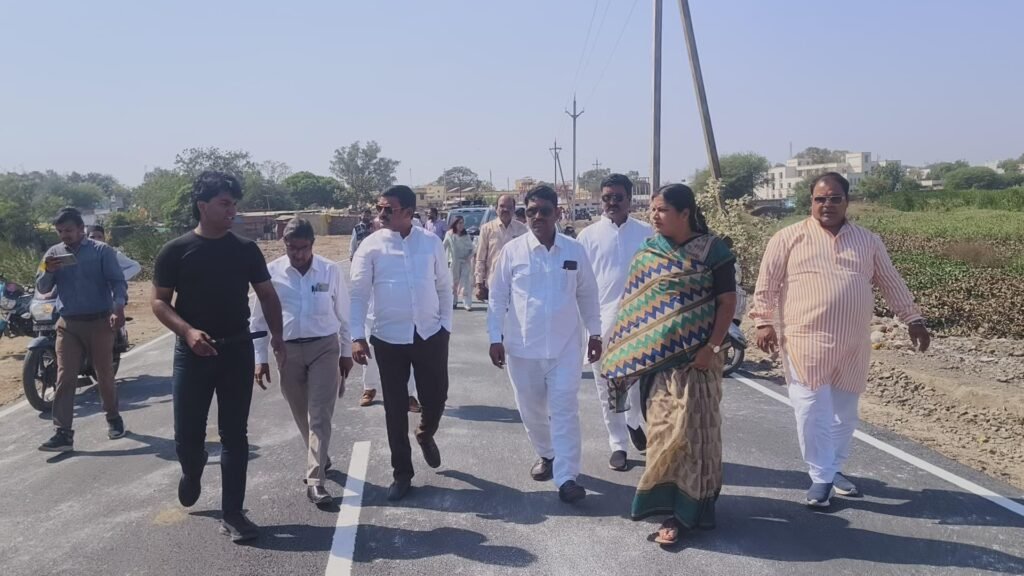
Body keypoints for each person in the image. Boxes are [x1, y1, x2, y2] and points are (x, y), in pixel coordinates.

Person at [750, 172, 930, 508]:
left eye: (835, 198)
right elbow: (767, 284)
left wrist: (913, 319)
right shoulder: (788, 237)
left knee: (843, 415)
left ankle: (832, 468)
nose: (827, 205)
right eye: (820, 199)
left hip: (853, 343)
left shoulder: (868, 241)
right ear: (811, 202)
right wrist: (763, 321)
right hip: (804, 340)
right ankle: (821, 477)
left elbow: (891, 282)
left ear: (847, 201)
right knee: (809, 408)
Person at [152, 171, 285, 543]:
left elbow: (267, 295)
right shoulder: (176, 250)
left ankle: (233, 513)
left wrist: (278, 337)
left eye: (234, 204)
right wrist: (187, 331)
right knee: (187, 436)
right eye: (225, 203)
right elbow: (159, 302)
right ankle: (192, 469)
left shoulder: (245, 249)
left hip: (235, 350)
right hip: (192, 354)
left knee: (234, 434)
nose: (232, 211)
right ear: (202, 206)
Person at [601, 183, 736, 546]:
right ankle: (666, 509)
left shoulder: (713, 250)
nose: (654, 216)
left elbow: (727, 303)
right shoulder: (649, 252)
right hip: (659, 366)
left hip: (699, 363)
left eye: (662, 210)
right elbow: (635, 308)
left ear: (685, 213)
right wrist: (626, 355)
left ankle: (690, 510)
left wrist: (711, 347)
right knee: (663, 435)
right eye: (653, 210)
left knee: (695, 436)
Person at [487, 185, 601, 504]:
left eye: (545, 211)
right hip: (522, 349)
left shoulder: (574, 250)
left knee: (565, 410)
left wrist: (595, 333)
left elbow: (588, 294)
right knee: (532, 410)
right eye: (531, 211)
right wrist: (495, 337)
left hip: (566, 348)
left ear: (557, 213)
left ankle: (567, 478)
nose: (537, 217)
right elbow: (497, 298)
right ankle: (547, 453)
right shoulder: (512, 252)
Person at [350, 185, 453, 502]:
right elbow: (358, 294)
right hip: (388, 339)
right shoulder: (370, 247)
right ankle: (402, 473)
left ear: (408, 212)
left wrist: (445, 328)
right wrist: (356, 336)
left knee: (436, 397)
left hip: (429, 335)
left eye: (388, 209)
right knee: (394, 409)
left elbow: (444, 287)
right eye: (378, 208)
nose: (380, 214)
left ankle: (425, 432)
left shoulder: (430, 243)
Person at [250, 218, 353, 506]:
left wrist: (346, 352)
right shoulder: (271, 273)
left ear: (313, 244)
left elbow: (345, 314)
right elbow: (257, 320)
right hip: (287, 352)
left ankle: (315, 480)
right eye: (292, 248)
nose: (298, 254)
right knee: (301, 413)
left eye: (304, 248)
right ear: (284, 244)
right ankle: (320, 455)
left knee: (319, 413)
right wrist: (260, 358)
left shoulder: (329, 270)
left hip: (324, 348)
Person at [577, 173, 653, 472]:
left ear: (629, 200)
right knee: (608, 387)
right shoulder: (587, 237)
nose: (611, 203)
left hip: (640, 324)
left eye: (617, 198)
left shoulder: (647, 234)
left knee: (635, 385)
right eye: (606, 198)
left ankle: (633, 421)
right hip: (601, 326)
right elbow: (580, 285)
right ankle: (618, 444)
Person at [36, 207, 129, 451]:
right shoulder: (53, 254)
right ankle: (63, 433)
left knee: (104, 373)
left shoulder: (101, 251)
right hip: (68, 324)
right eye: (60, 231)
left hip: (99, 322)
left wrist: (118, 308)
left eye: (68, 230)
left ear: (81, 229)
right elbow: (42, 287)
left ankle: (113, 418)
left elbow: (117, 282)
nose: (64, 235)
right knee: (65, 377)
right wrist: (48, 271)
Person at [474, 194, 528, 301]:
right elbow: (480, 258)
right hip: (494, 283)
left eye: (509, 207)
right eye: (502, 206)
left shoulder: (522, 229)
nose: (505, 210)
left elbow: (527, 258)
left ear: (514, 209)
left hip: (517, 284)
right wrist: (479, 284)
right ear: (496, 208)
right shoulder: (487, 229)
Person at [444, 215, 475, 311]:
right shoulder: (449, 234)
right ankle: (453, 301)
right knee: (454, 282)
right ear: (455, 223)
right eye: (459, 223)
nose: (461, 225)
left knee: (465, 282)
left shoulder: (466, 235)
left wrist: (469, 257)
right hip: (454, 262)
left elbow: (472, 248)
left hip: (465, 261)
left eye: (462, 223)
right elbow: (443, 246)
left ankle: (467, 303)